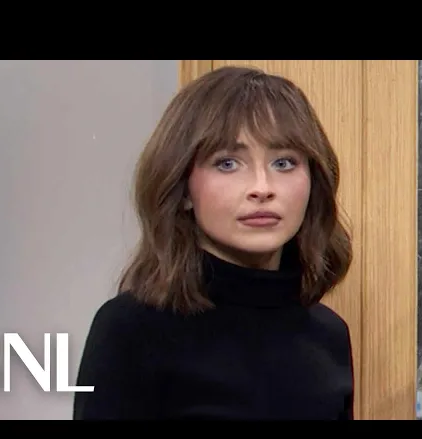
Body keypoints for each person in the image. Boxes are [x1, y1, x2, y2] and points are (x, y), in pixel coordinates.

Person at [73, 65, 354, 420]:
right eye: (228, 163)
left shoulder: (329, 336)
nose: (262, 187)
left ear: (313, 181)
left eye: (284, 163)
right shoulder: (131, 329)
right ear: (183, 188)